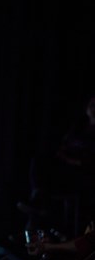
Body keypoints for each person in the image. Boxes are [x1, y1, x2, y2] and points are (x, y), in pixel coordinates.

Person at [18, 95, 95, 236]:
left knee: (61, 177)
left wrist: (72, 161)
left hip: (82, 175)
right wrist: (62, 155)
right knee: (39, 162)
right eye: (91, 103)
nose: (92, 107)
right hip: (64, 168)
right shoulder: (79, 127)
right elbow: (64, 145)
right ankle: (37, 202)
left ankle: (40, 221)